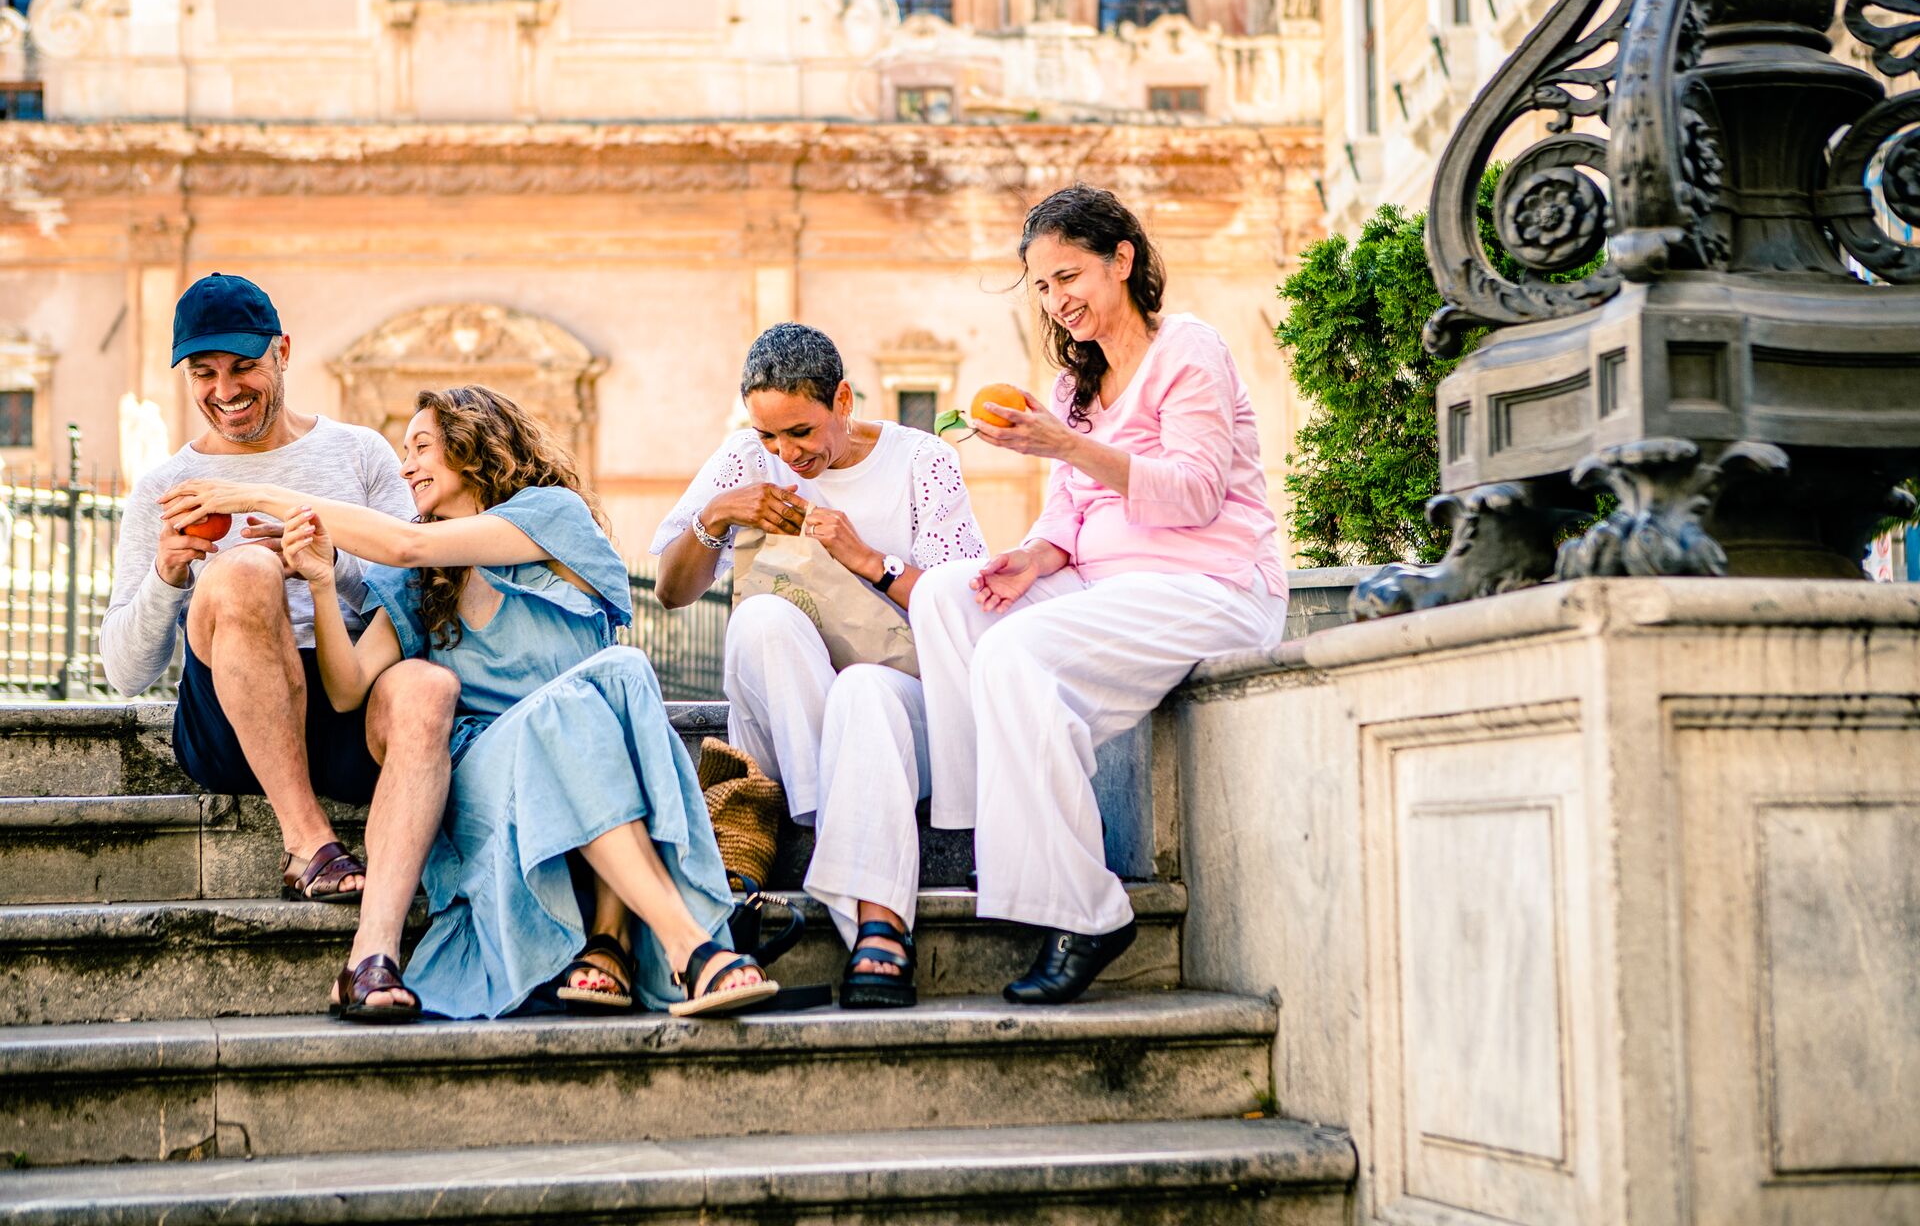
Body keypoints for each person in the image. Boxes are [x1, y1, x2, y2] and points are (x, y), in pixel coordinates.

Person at [161, 386, 775, 1020]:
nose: (405, 467)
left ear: (475, 445)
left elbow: (406, 542)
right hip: (491, 773)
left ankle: (626, 943)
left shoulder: (551, 514)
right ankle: (689, 950)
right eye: (403, 452)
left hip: (586, 744)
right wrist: (319, 581)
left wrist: (255, 493)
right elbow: (347, 689)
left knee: (605, 684)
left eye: (422, 446)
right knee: (577, 708)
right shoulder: (419, 580)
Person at [910, 184, 1290, 1004]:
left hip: (1211, 583)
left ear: (1123, 260)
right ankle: (982, 837)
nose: (1058, 301)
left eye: (1069, 275)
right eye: (1043, 286)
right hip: (1100, 586)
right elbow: (1067, 515)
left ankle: (1086, 913)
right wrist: (1032, 559)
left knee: (1016, 651)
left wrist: (1066, 447)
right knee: (946, 596)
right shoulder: (1072, 387)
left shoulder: (1187, 351)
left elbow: (1192, 494)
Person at [101, 272, 456, 1021]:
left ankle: (374, 954)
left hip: (342, 692)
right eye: (205, 373)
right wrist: (169, 574)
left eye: (242, 367)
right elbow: (124, 674)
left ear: (283, 352)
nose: (224, 389)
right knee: (245, 572)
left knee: (428, 689)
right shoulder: (167, 482)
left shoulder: (358, 455)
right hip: (231, 724)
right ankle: (307, 841)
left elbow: (420, 583)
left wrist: (326, 563)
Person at [652, 323, 987, 1009]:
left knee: (863, 690)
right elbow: (670, 590)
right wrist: (717, 514)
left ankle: (865, 910)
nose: (785, 454)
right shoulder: (746, 457)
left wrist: (869, 560)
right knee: (760, 618)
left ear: (842, 397)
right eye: (770, 436)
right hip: (789, 721)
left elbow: (964, 610)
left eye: (801, 432)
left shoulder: (921, 459)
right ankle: (862, 897)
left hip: (900, 705)